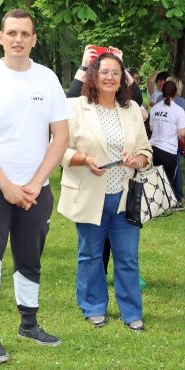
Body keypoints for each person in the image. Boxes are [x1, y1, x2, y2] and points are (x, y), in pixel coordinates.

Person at [0, 9, 70, 362]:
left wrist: (36, 183)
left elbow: (61, 136)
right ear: (1, 37)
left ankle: (29, 322)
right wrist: (6, 185)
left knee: (29, 257)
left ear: (34, 38)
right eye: (12, 33)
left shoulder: (48, 79)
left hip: (35, 188)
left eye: (25, 33)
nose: (18, 39)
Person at [58, 52, 152, 331]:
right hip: (89, 193)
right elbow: (59, 149)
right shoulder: (74, 107)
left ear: (123, 79)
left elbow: (146, 150)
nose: (110, 77)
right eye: (104, 72)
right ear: (94, 76)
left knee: (128, 257)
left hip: (124, 197)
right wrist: (84, 160)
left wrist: (136, 160)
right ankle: (93, 306)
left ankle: (132, 311)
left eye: (116, 73)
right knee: (90, 255)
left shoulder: (133, 109)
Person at [149, 79, 185, 210]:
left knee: (154, 178)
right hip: (169, 150)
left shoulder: (154, 108)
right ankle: (165, 205)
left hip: (153, 148)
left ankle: (153, 204)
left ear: (162, 91)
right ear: (176, 92)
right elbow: (182, 133)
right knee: (168, 179)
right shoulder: (178, 110)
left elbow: (152, 128)